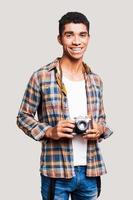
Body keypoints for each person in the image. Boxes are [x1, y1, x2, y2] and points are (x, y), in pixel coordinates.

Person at [17, 11, 113, 200]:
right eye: (69, 35)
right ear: (60, 39)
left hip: (90, 171)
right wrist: (49, 132)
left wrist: (100, 129)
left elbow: (101, 119)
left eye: (82, 35)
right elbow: (22, 117)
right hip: (56, 171)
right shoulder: (42, 76)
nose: (77, 41)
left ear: (88, 38)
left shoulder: (96, 80)